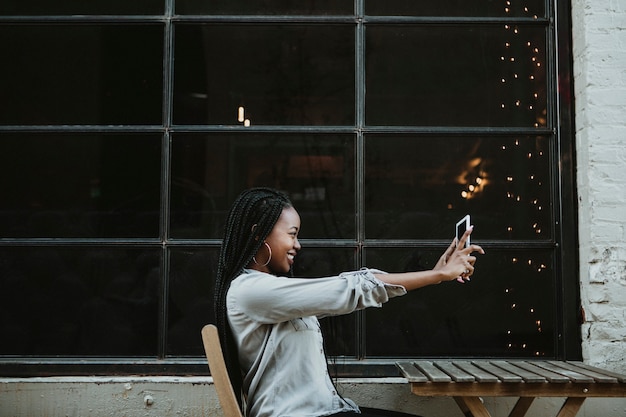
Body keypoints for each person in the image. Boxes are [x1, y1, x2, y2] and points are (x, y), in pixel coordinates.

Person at [213, 187, 484, 417]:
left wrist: (434, 275)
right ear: (259, 234)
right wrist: (436, 276)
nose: (298, 245)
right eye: (292, 234)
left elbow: (355, 285)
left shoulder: (272, 292)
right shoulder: (249, 291)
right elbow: (349, 290)